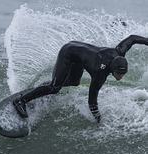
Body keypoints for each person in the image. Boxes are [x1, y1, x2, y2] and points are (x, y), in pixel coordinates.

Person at [13, 35, 148, 123]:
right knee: (55, 88)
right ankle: (21, 100)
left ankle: (48, 86)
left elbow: (133, 38)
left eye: (123, 74)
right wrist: (99, 120)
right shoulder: (98, 73)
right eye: (119, 74)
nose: (121, 76)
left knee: (74, 82)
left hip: (79, 57)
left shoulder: (118, 52)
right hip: (68, 53)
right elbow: (92, 101)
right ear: (113, 69)